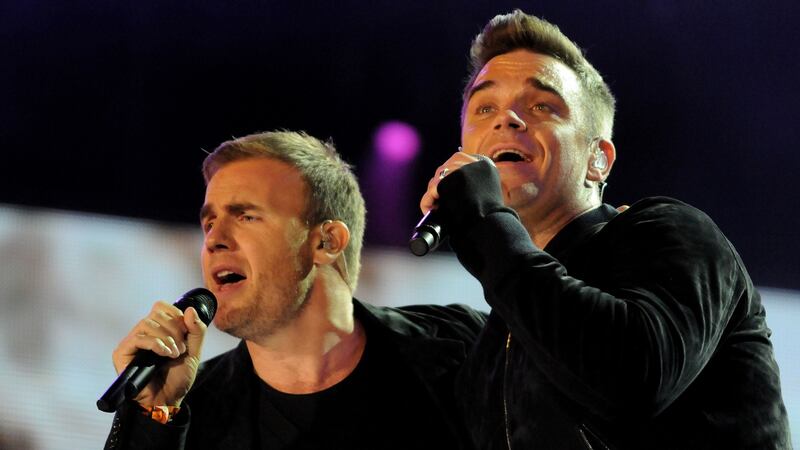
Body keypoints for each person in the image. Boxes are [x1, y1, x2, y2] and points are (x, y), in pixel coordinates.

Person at [419, 10, 791, 450]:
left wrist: (485, 224)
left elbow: (634, 378)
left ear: (598, 160)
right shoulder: (491, 352)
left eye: (541, 106)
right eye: (485, 108)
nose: (508, 119)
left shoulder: (671, 233)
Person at [104, 130, 485, 449]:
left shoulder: (464, 344)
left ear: (327, 242)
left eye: (246, 216)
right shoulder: (185, 412)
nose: (214, 240)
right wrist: (154, 418)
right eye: (209, 223)